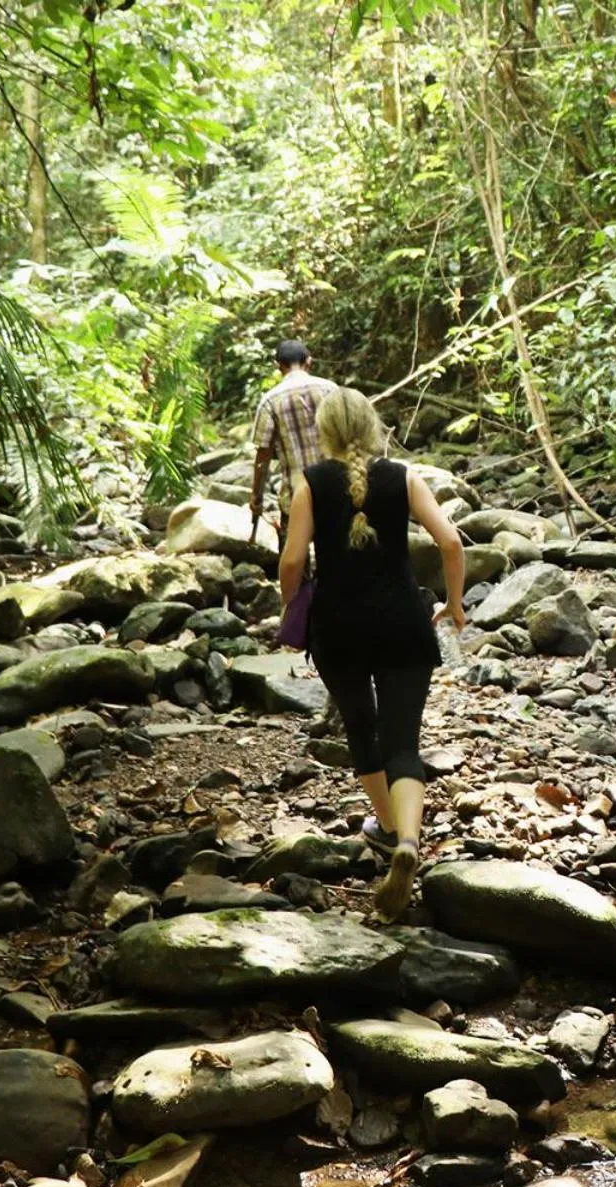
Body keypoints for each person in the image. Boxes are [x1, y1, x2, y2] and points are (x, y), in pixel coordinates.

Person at [278, 387, 466, 920]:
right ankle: (409, 841)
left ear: (326, 433)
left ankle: (385, 830)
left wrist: (290, 604)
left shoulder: (309, 485)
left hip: (338, 630)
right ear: (372, 424)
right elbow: (451, 544)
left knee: (361, 727)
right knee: (402, 740)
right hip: (403, 625)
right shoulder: (404, 476)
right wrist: (453, 604)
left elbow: (293, 562)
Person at [250, 340, 336, 530]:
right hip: (336, 490)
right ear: (309, 361)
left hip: (296, 494)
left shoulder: (270, 400)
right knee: (336, 554)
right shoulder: (331, 389)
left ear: (278, 366)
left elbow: (263, 454)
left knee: (293, 556)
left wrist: (256, 495)